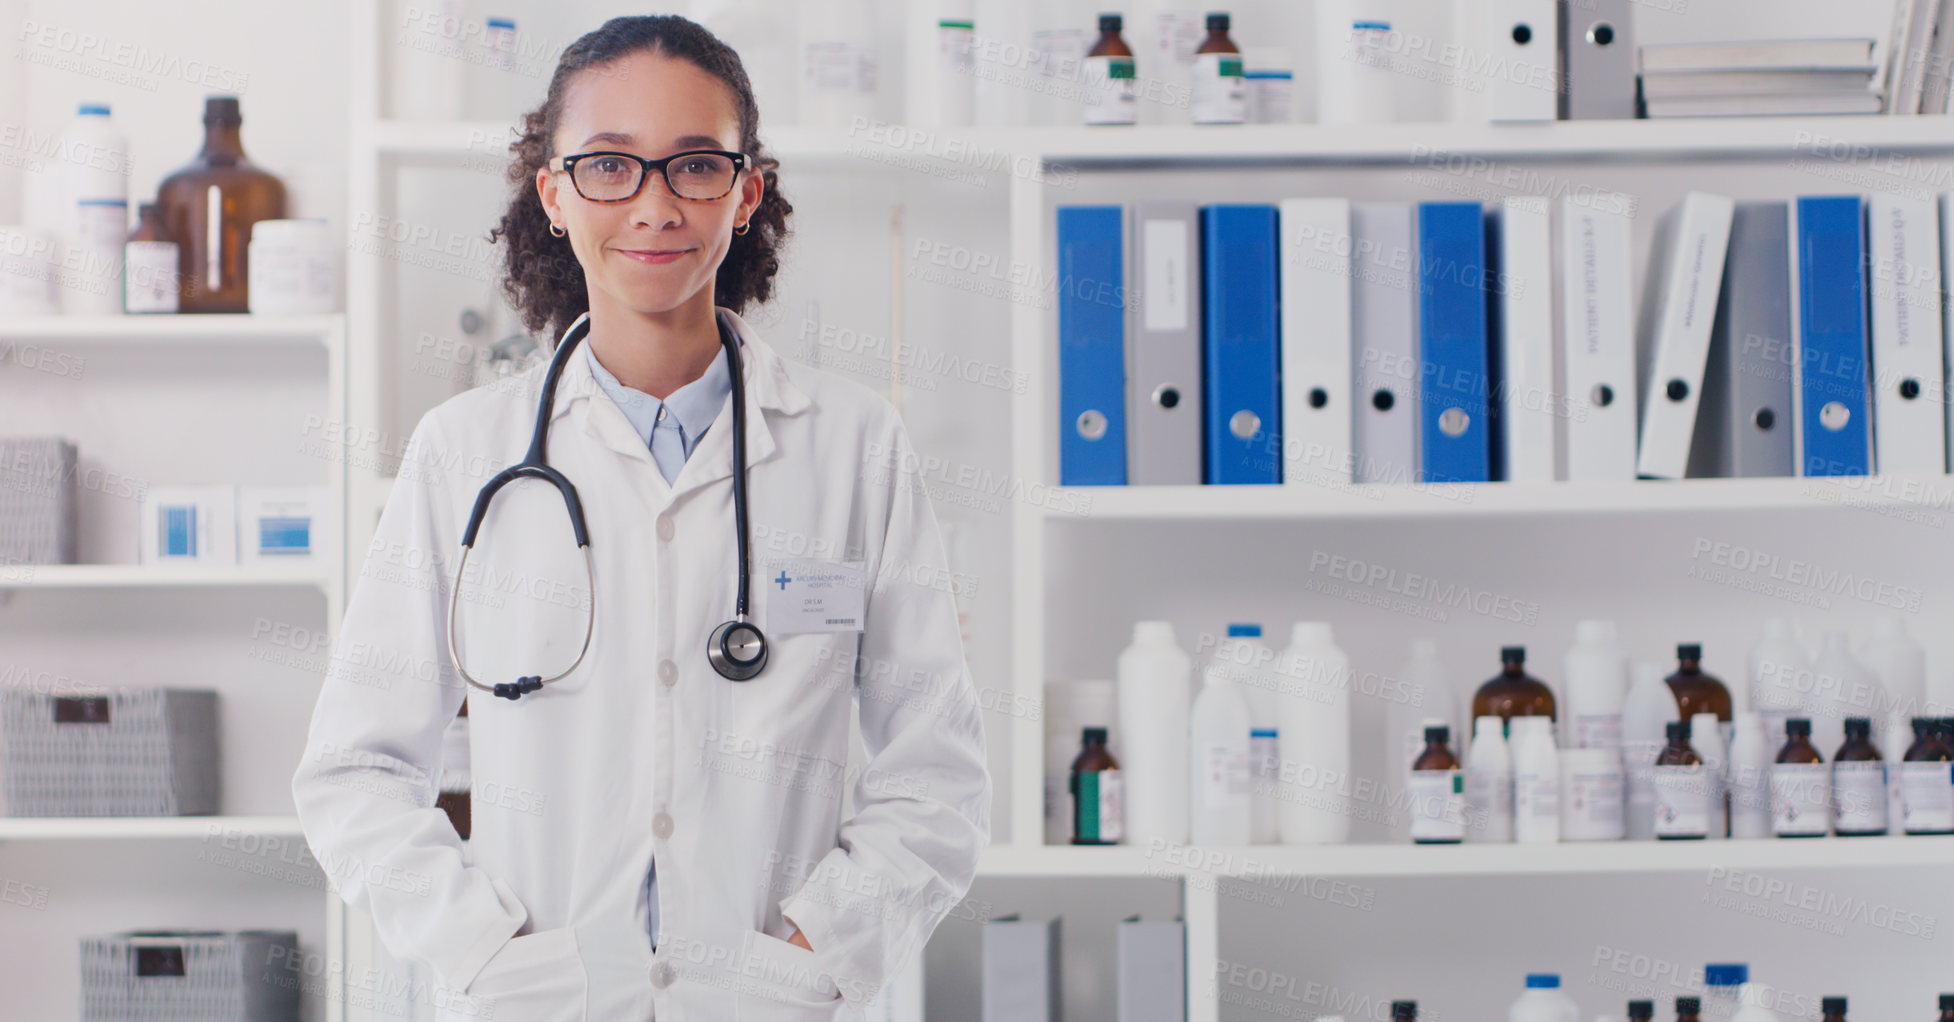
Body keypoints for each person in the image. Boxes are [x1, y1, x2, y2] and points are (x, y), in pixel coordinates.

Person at [291, 15, 991, 1022]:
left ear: (745, 190)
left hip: (768, 1001)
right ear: (555, 193)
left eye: (695, 165)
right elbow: (356, 769)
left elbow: (936, 772)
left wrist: (815, 950)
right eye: (610, 165)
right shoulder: (463, 453)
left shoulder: (853, 448)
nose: (656, 205)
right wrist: (483, 950)